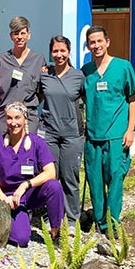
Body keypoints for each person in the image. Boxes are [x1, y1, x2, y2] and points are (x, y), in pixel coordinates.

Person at [81, 26, 135, 235]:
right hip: (93, 138)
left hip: (116, 136)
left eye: (99, 41)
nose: (96, 46)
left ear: (108, 42)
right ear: (88, 46)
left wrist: (130, 130)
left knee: (115, 180)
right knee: (95, 183)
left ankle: (113, 224)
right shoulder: (86, 72)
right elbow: (80, 99)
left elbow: (133, 100)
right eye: (92, 43)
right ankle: (101, 223)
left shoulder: (123, 67)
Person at [0, 102, 64, 247]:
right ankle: (9, 219)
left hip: (30, 193)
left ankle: (56, 232)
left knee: (54, 186)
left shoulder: (36, 142)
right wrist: (3, 198)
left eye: (17, 118)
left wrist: (26, 184)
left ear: (25, 119)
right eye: (9, 118)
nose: (13, 123)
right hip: (9, 198)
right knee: (21, 240)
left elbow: (51, 172)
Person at [39, 35, 85, 232]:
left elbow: (88, 101)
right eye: (55, 51)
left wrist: (87, 120)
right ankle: (53, 217)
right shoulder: (45, 75)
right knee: (51, 178)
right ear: (51, 52)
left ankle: (73, 220)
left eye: (62, 51)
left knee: (70, 177)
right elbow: (37, 96)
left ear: (69, 52)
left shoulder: (78, 76)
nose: (59, 55)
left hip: (72, 135)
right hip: (49, 133)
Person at [0, 16, 46, 135]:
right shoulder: (1, 60)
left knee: (28, 151)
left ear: (29, 35)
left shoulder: (38, 59)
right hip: (5, 117)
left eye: (23, 33)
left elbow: (41, 92)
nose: (19, 37)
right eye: (16, 33)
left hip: (29, 117)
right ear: (11, 36)